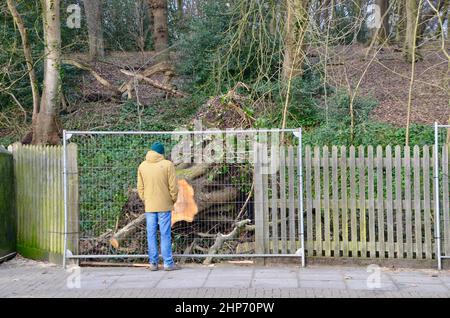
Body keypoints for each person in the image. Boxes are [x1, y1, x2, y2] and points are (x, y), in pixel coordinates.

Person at [137, 142, 180, 271]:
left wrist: (146, 199)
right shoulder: (168, 165)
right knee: (165, 234)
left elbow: (140, 187)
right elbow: (173, 186)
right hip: (164, 205)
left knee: (151, 234)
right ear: (162, 153)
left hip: (150, 206)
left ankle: (153, 263)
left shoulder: (142, 166)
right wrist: (173, 199)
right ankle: (168, 263)